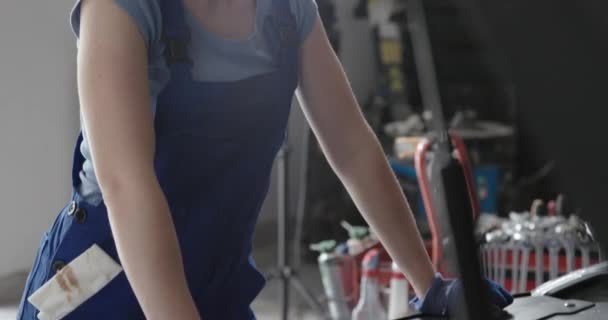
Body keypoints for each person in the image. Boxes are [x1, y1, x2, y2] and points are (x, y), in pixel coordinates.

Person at [17, 0, 512, 319]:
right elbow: (127, 185)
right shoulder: (122, 7)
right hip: (101, 285)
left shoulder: (288, 10)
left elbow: (352, 147)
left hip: (215, 283)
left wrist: (430, 286)